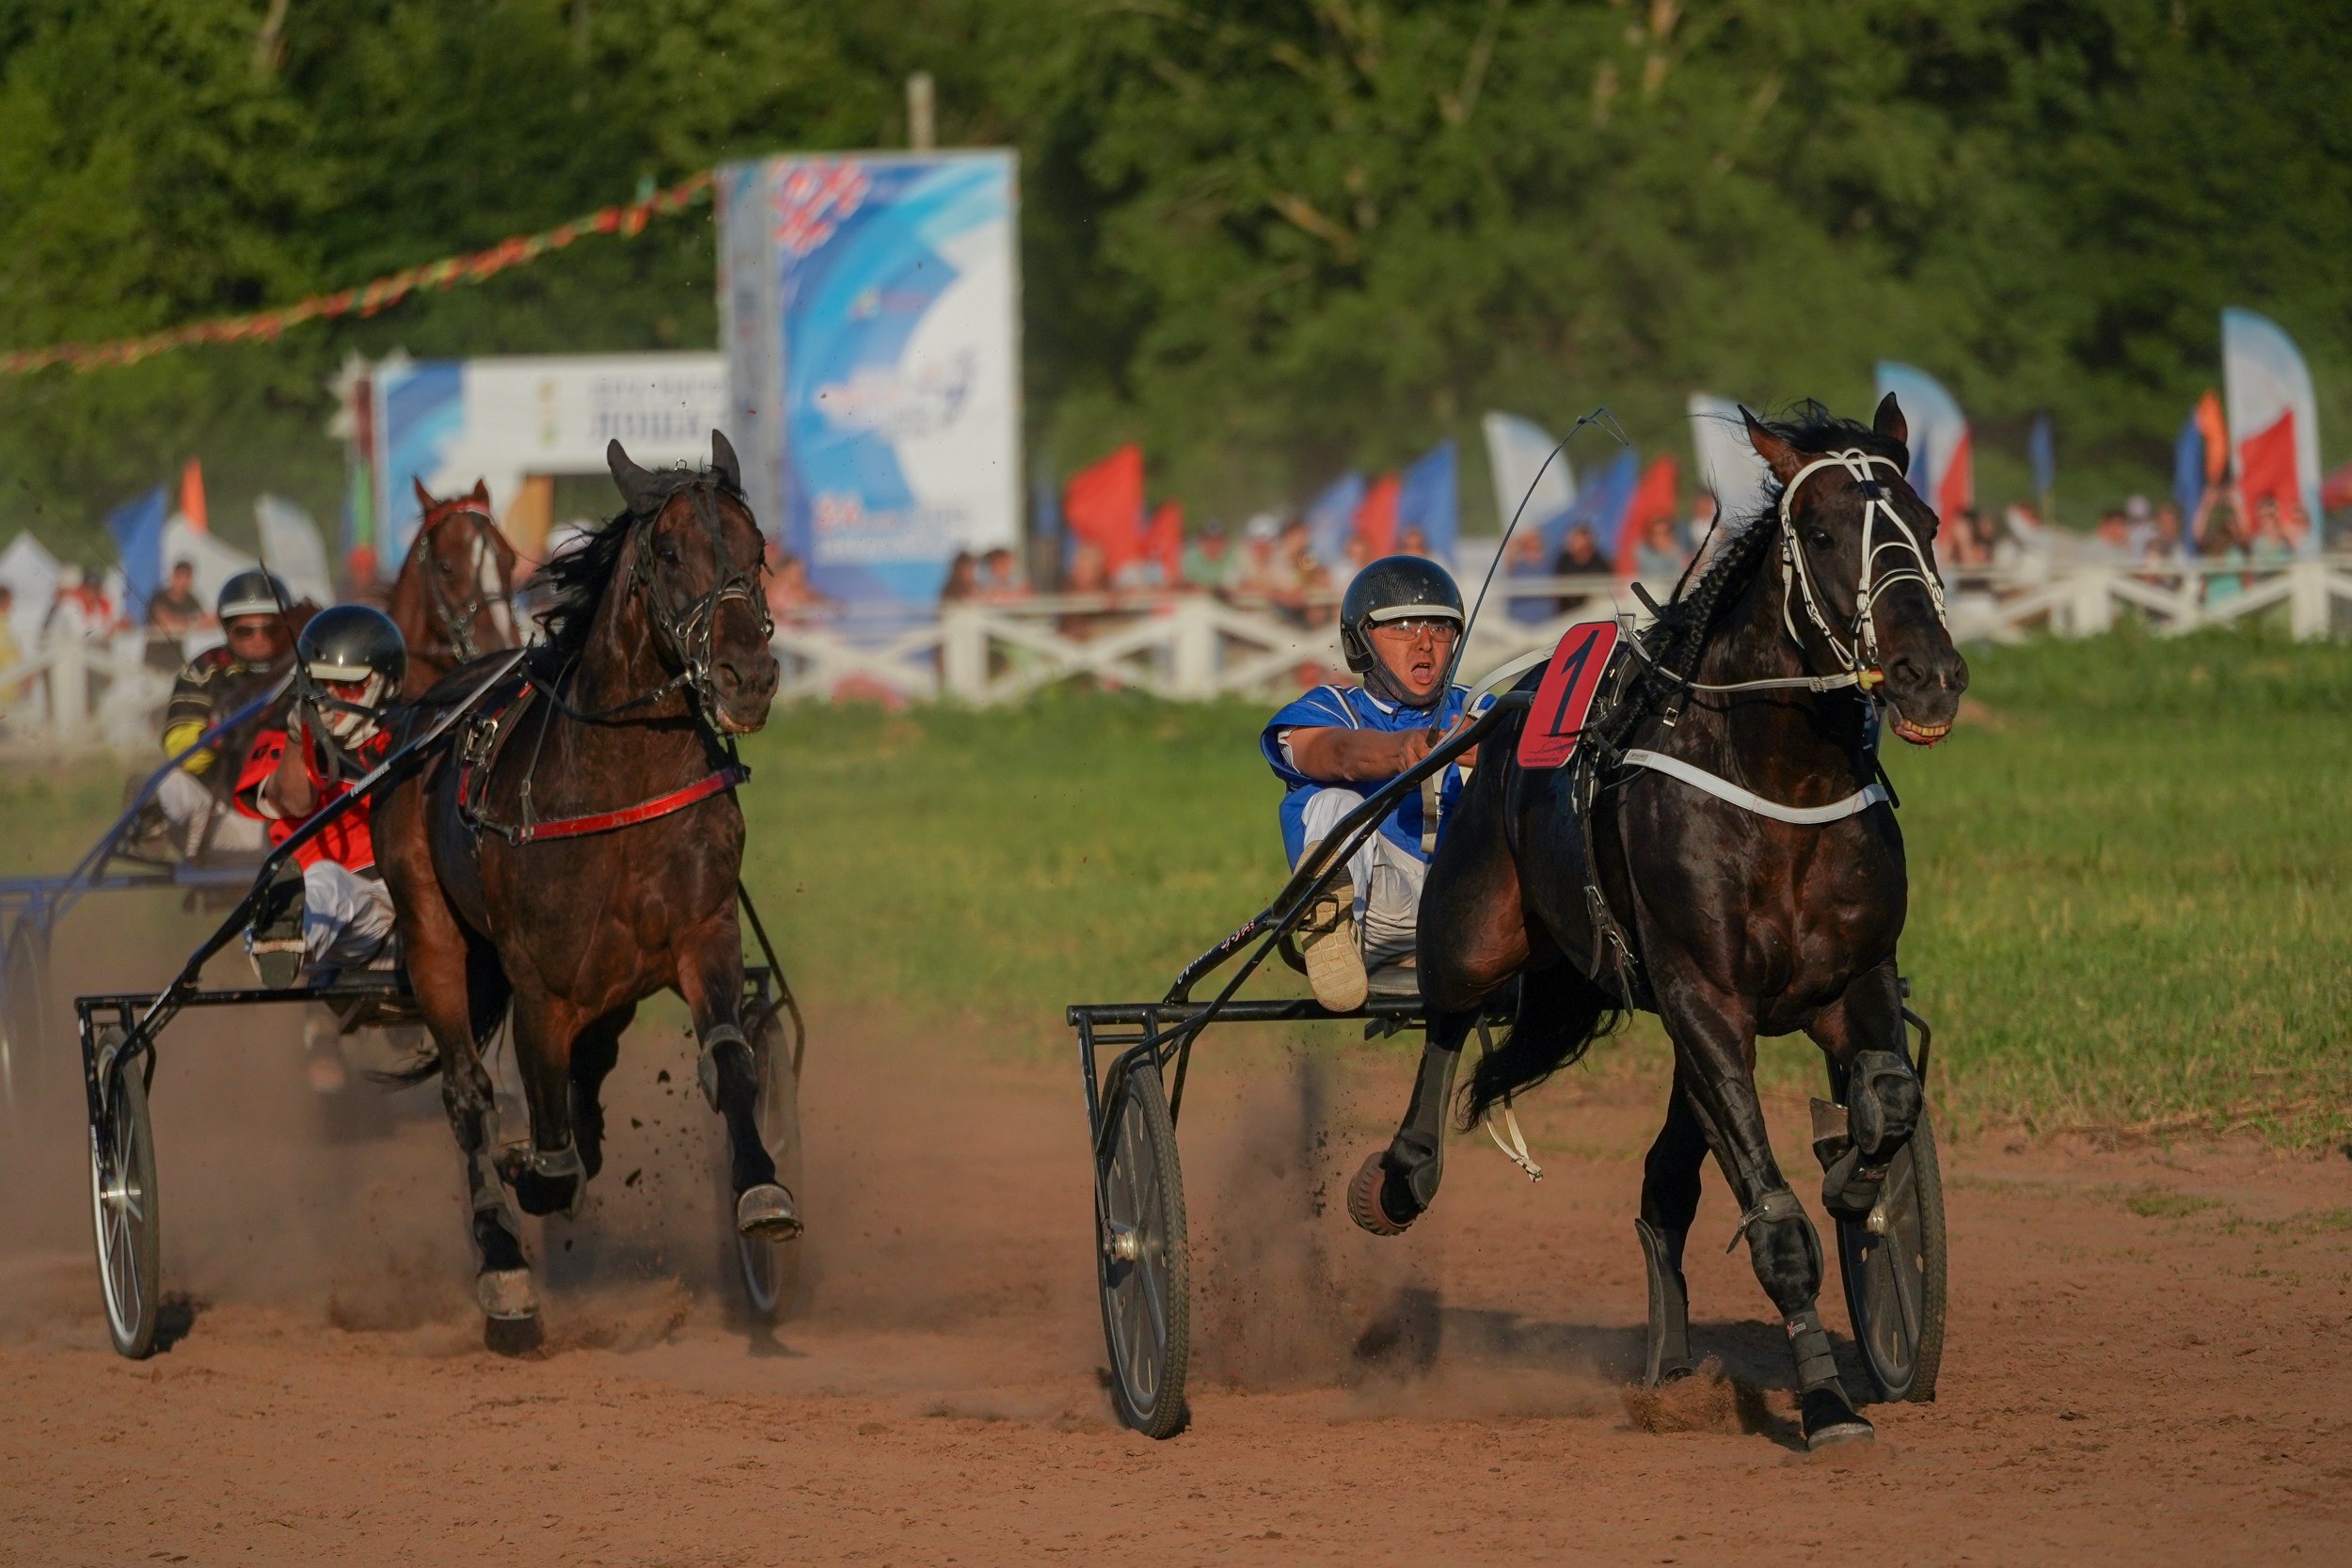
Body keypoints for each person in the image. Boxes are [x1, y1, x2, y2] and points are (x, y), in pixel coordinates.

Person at [1261, 556, 1475, 1010]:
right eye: (1402, 627)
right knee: (1333, 800)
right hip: (1374, 906)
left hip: (1465, 905)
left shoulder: (1478, 707)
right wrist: (1402, 750)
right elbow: (1335, 754)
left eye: (1439, 628)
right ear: (1361, 641)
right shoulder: (1329, 706)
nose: (1424, 644)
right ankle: (1329, 926)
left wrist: (1497, 748)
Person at [238, 605, 407, 993]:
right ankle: (281, 933)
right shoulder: (278, 743)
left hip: (406, 903)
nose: (330, 698)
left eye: (347, 686)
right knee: (325, 880)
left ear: (386, 685)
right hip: (341, 921)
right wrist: (302, 736)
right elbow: (293, 803)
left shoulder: (413, 738)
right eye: (320, 686)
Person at [135, 569, 298, 863]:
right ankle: (147, 828)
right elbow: (177, 748)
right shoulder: (206, 670)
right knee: (162, 783)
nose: (259, 640)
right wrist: (215, 733)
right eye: (245, 631)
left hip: (300, 822)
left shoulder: (305, 672)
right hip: (221, 819)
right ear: (227, 631)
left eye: (270, 629)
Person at [1181, 521, 1229, 591]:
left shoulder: (1234, 558)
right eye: (1209, 540)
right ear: (1200, 541)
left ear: (1225, 542)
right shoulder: (1188, 559)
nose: (1213, 545)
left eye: (1217, 540)